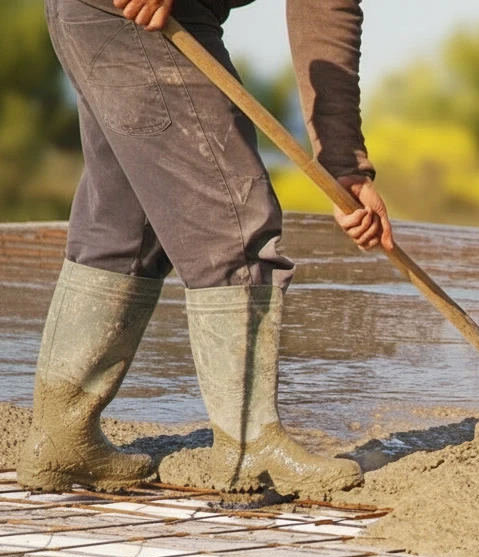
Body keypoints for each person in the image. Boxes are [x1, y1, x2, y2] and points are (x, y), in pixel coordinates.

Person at [18, 0, 393, 494]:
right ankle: (249, 446)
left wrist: (344, 163)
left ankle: (62, 437)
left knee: (127, 224)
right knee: (234, 219)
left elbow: (323, 7)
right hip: (133, 16)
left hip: (108, 15)